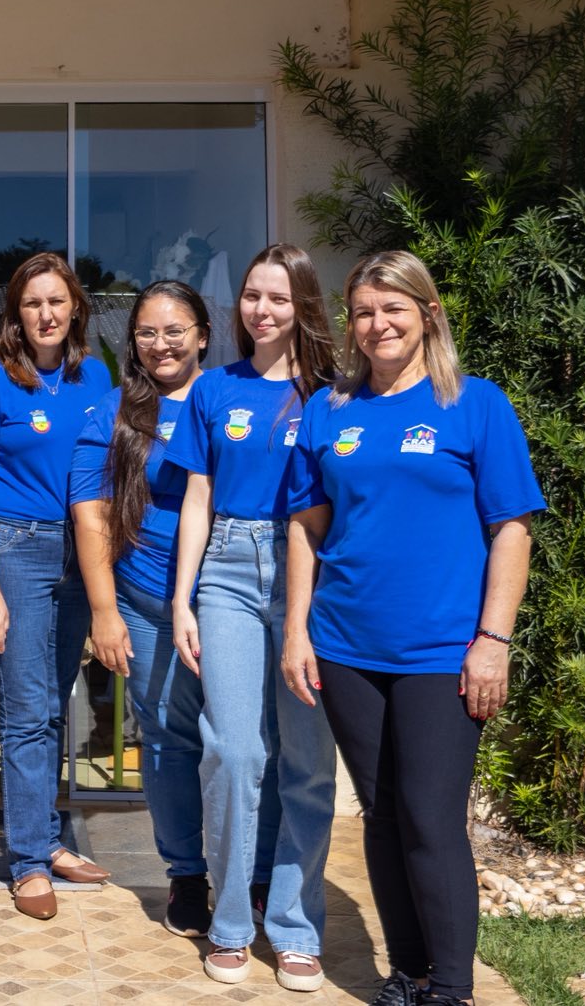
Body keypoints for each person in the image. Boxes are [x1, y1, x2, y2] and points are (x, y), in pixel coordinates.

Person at [282, 251, 543, 1006]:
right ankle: (408, 973)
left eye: (392, 308)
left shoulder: (475, 404)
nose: (377, 325)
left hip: (443, 649)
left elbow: (512, 528)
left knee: (430, 816)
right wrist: (297, 630)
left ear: (428, 313)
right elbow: (306, 526)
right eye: (364, 312)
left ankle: (452, 987)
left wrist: (492, 641)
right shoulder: (330, 410)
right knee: (383, 814)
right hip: (345, 645)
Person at [75, 280, 288, 944]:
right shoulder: (112, 413)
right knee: (169, 740)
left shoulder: (232, 397)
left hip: (233, 599)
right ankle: (188, 874)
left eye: (175, 331)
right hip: (145, 601)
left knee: (249, 741)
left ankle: (256, 873)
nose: (160, 344)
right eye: (146, 332)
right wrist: (104, 611)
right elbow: (91, 514)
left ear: (203, 334)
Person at [165, 243, 339, 992]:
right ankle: (232, 923)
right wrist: (183, 597)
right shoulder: (215, 388)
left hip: (313, 574)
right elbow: (197, 497)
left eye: (278, 298)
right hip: (229, 571)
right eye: (252, 296)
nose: (262, 310)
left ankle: (295, 928)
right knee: (234, 752)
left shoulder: (334, 394)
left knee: (306, 763)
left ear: (303, 306)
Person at [0, 252, 112, 918]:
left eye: (56, 301)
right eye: (32, 303)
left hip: (81, 549)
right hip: (15, 546)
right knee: (24, 707)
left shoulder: (95, 375)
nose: (46, 314)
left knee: (52, 704)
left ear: (75, 307)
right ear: (16, 313)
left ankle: (45, 838)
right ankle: (28, 862)